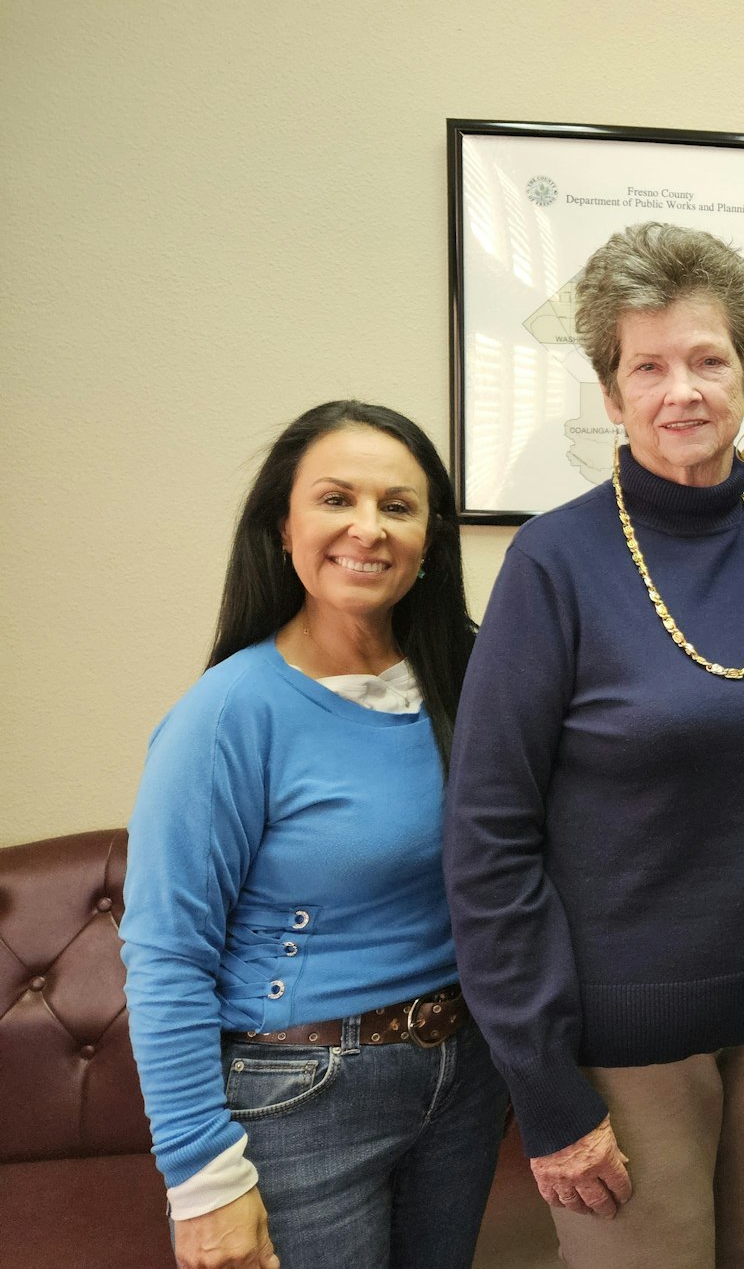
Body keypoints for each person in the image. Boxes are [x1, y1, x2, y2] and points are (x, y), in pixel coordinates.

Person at [444, 222, 744, 1269]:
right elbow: (487, 840)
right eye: (648, 366)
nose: (683, 391)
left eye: (709, 359)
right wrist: (543, 1089)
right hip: (622, 1042)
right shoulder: (552, 562)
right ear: (611, 395)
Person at [122, 401, 508, 1269]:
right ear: (282, 527)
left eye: (398, 507)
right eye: (337, 499)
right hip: (300, 1092)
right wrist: (202, 1184)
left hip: (466, 1075)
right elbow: (166, 957)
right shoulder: (228, 713)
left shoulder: (470, 681)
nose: (367, 530)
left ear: (431, 539)